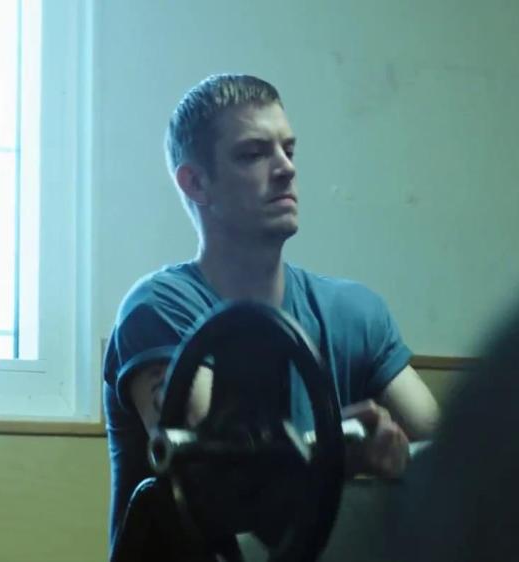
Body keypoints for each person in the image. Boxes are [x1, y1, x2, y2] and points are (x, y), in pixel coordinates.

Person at [102, 74, 440, 549]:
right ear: (196, 183)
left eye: (289, 150)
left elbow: (449, 454)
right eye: (253, 154)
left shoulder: (355, 312)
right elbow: (225, 477)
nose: (285, 168)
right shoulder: (157, 310)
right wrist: (338, 452)